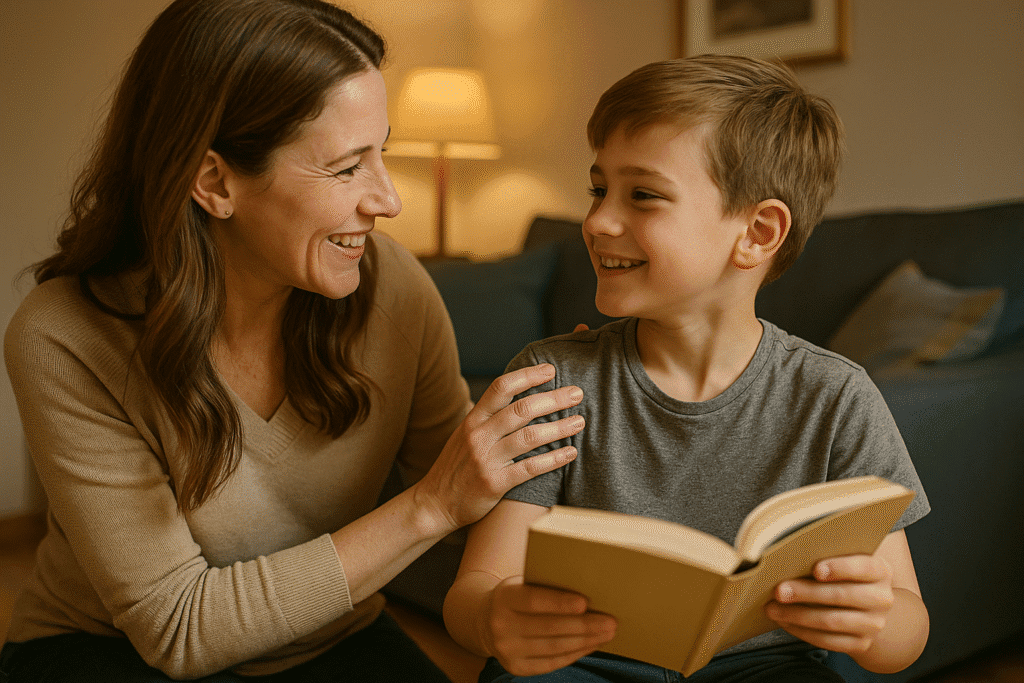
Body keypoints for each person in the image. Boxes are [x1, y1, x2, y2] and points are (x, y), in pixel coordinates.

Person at [0, 0, 587, 680]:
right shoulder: (64, 335)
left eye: (383, 154)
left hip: (327, 637)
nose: (388, 200)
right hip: (108, 652)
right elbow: (178, 628)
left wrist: (594, 404)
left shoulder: (393, 285)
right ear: (215, 182)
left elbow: (473, 491)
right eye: (346, 168)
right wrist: (428, 505)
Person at [443, 55, 931, 683]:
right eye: (599, 190)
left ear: (758, 232)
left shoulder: (835, 396)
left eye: (642, 195)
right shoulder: (554, 379)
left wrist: (875, 621)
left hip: (765, 667)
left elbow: (908, 632)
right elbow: (474, 590)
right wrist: (494, 617)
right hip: (584, 664)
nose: (597, 221)